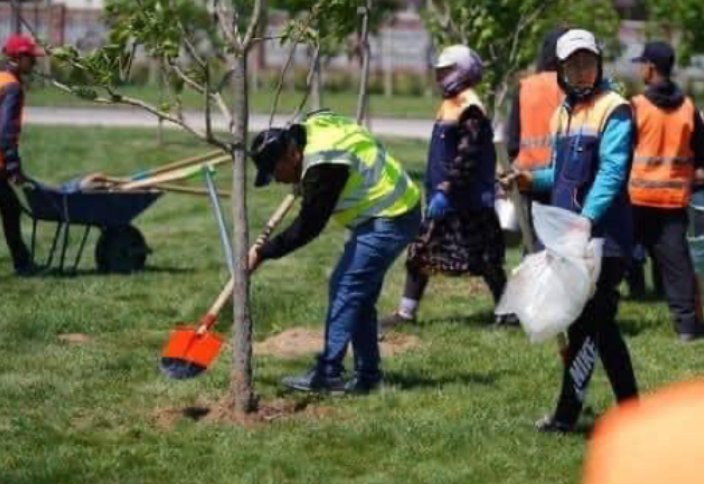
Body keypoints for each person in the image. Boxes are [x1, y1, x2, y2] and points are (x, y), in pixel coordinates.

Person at [504, 29, 639, 432]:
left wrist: (588, 218)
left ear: (599, 62)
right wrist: (529, 179)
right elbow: (561, 174)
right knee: (597, 327)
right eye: (572, 64)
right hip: (569, 238)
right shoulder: (562, 113)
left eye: (587, 61)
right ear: (560, 70)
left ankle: (568, 415)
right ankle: (629, 412)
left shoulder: (614, 109)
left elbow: (613, 172)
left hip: (603, 238)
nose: (581, 70)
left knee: (588, 325)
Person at [248, 109, 421, 394]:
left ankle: (328, 373)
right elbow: (323, 113)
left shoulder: (324, 165)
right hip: (387, 210)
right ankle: (368, 377)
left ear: (292, 154)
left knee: (345, 287)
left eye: (276, 173)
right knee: (359, 298)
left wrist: (265, 252)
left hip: (390, 216)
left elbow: (309, 226)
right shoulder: (310, 128)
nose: (278, 182)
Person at [380, 45, 507, 328]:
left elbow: (468, 155)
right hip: (445, 197)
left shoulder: (470, 106)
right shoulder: (451, 102)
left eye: (447, 70)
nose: (441, 76)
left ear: (464, 71)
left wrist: (446, 190)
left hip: (467, 200)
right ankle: (405, 313)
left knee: (486, 259)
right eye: (439, 71)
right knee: (420, 253)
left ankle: (507, 312)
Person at [628, 41, 704, 341]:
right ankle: (687, 327)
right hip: (673, 202)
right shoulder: (688, 109)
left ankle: (597, 318)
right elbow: (701, 158)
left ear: (649, 67)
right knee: (678, 266)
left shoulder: (636, 107)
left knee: (613, 259)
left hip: (636, 199)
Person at [0, 34, 43, 275]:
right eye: (31, 59)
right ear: (17, 58)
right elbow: (6, 131)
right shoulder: (13, 87)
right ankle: (23, 265)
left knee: (10, 209)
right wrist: (13, 167)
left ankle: (23, 263)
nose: (34, 64)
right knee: (10, 209)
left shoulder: (1, 79)